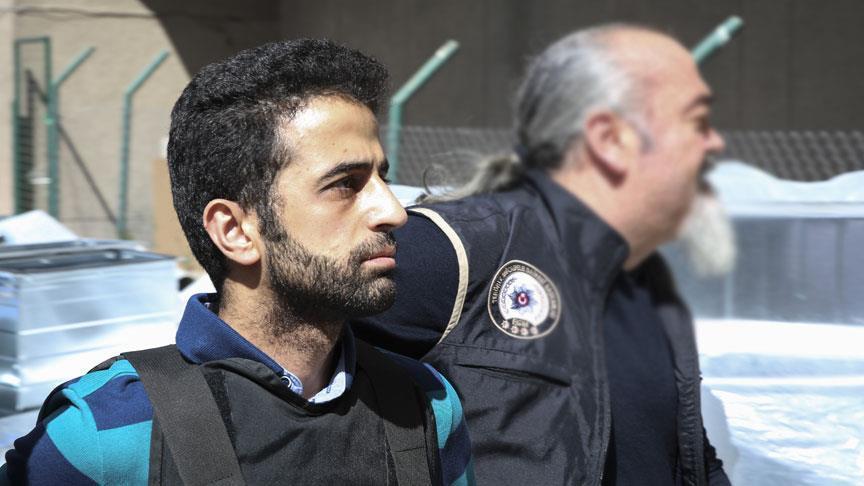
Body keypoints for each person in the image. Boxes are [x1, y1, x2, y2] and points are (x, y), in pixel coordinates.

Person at [3, 39, 473, 485]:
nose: (394, 212)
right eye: (345, 183)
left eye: (382, 179)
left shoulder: (425, 404)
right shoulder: (107, 435)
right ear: (235, 231)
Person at [353, 24, 731, 485]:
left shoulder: (648, 285)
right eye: (693, 121)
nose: (713, 143)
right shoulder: (462, 248)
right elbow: (286, 360)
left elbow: (691, 458)